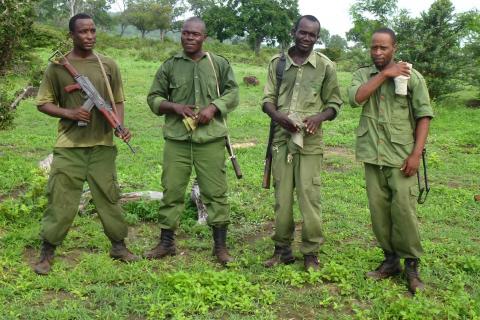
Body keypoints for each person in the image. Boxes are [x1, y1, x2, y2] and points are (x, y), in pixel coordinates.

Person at [34, 13, 138, 275]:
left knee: (108, 196)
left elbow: (118, 100)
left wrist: (119, 125)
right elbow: (43, 103)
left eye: (92, 31)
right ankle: (47, 251)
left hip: (102, 145)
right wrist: (70, 113)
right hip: (69, 145)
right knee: (61, 199)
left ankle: (118, 245)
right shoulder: (58, 67)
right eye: (82, 31)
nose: (89, 36)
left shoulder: (108, 65)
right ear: (71, 34)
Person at [146, 17, 239, 265]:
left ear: (204, 38)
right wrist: (174, 107)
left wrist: (214, 108)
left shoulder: (218, 64)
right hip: (177, 140)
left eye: (195, 34)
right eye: (185, 33)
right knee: (172, 190)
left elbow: (233, 93)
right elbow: (153, 98)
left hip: (210, 141)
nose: (189, 38)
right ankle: (166, 243)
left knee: (216, 193)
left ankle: (220, 247)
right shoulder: (170, 66)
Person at [348, 27, 434, 294]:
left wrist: (415, 154)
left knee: (404, 212)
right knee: (379, 212)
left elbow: (424, 116)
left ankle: (411, 267)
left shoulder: (412, 76)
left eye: (383, 48)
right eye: (374, 47)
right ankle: (390, 261)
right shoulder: (363, 74)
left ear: (394, 48)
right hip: (373, 156)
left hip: (401, 158)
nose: (377, 52)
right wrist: (385, 73)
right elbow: (356, 98)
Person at [262, 15, 342, 271]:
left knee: (309, 198)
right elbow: (267, 100)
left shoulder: (325, 66)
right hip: (281, 140)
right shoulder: (277, 64)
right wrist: (278, 117)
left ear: (317, 37)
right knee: (282, 199)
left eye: (312, 35)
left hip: (310, 142)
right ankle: (282, 250)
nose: (307, 38)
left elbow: (334, 104)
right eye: (303, 33)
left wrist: (319, 117)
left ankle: (310, 254)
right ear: (294, 31)